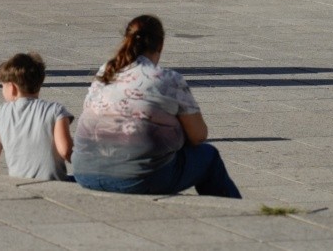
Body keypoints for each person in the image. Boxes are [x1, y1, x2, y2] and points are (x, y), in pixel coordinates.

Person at [72, 15, 241, 198]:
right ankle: (236, 215)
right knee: (208, 157)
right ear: (160, 45)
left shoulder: (106, 71)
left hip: (84, 171)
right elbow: (199, 136)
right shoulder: (168, 79)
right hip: (138, 178)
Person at [0, 52, 73, 181]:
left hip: (19, 184)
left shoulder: (0, 113)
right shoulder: (56, 110)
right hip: (55, 184)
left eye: (2, 86)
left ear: (12, 88)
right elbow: (65, 151)